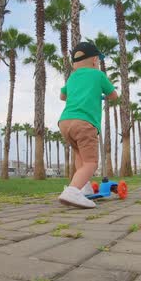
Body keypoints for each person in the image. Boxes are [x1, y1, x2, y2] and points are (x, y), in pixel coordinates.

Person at [57, 42, 119, 209]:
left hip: (65, 122)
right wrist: (100, 94)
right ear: (94, 60)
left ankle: (83, 187)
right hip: (84, 123)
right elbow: (114, 96)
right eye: (98, 60)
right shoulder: (98, 75)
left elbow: (63, 96)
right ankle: (72, 191)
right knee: (91, 162)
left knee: (80, 156)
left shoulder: (72, 77)